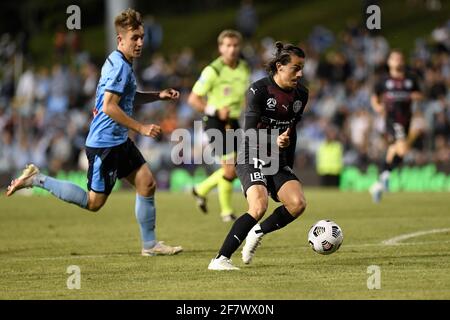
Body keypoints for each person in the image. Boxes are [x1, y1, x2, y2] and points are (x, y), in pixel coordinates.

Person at [6, 8, 183, 256]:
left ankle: (150, 245)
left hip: (118, 140)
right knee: (93, 203)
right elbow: (110, 107)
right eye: (135, 38)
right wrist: (141, 127)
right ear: (121, 39)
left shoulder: (118, 60)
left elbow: (125, 99)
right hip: (104, 144)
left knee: (147, 183)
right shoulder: (120, 68)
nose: (140, 42)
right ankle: (37, 179)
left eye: (142, 36)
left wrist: (158, 96)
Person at [208, 42, 309, 270]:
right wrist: (274, 140)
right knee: (259, 206)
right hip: (251, 152)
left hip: (277, 159)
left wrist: (288, 167)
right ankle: (220, 259)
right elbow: (250, 132)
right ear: (280, 67)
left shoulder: (302, 94)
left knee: (297, 203)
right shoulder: (259, 90)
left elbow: (292, 130)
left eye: (302, 68)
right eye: (296, 68)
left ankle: (258, 231)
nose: (300, 73)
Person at [188, 30, 250, 222]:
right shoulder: (213, 70)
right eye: (227, 46)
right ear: (220, 48)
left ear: (239, 47)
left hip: (233, 121)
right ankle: (220, 206)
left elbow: (243, 96)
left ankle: (204, 193)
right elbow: (193, 99)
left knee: (235, 167)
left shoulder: (244, 68)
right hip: (215, 121)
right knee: (230, 168)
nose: (231, 50)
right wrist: (215, 111)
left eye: (235, 46)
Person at [369, 49, 423, 203]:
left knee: (396, 149)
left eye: (400, 58)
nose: (398, 61)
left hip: (407, 118)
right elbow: (375, 96)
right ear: (389, 62)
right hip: (392, 118)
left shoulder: (410, 78)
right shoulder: (383, 79)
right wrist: (377, 107)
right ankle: (385, 176)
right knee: (402, 147)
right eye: (395, 59)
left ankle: (379, 182)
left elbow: (420, 94)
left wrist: (410, 95)